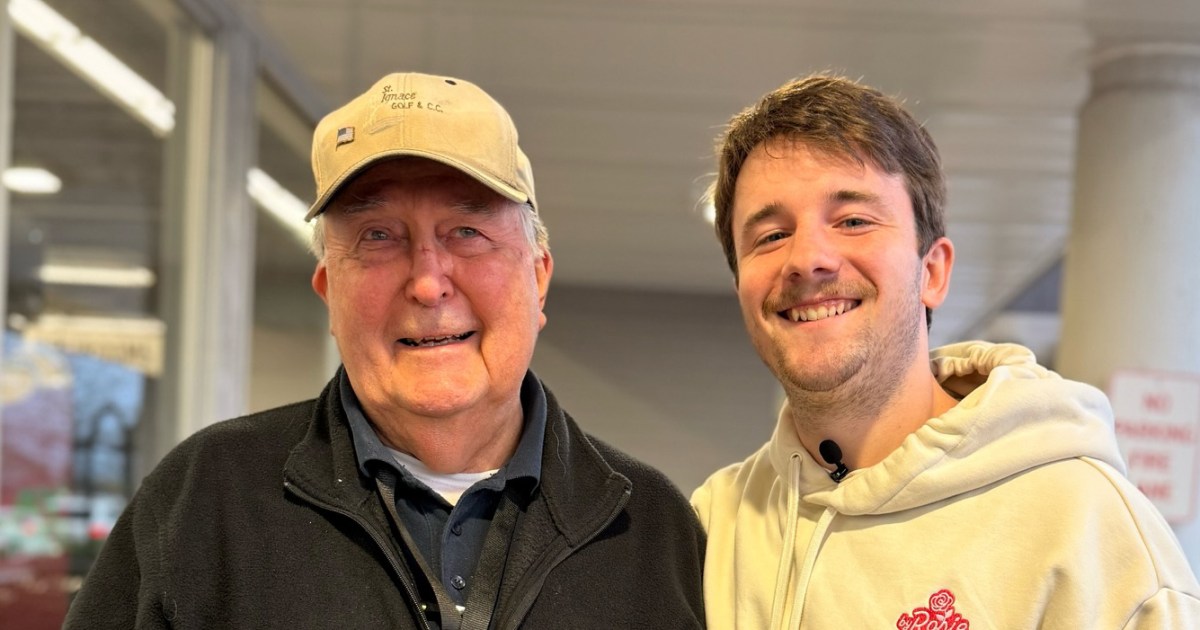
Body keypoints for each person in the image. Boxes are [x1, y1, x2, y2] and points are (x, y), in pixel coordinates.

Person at [65, 72, 706, 629]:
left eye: (468, 230)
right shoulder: (206, 501)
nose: (428, 282)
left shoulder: (650, 528)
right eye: (378, 236)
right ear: (329, 292)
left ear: (537, 276)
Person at [690, 74, 1200, 628]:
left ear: (932, 272)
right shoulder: (713, 528)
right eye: (769, 235)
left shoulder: (1085, 527)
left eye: (854, 220)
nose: (807, 258)